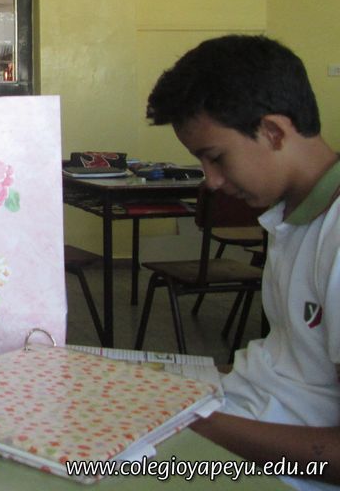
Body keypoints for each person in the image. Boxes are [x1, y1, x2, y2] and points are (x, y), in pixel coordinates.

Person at [147, 34, 340, 488]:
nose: (211, 181)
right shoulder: (290, 216)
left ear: (273, 131)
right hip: (236, 412)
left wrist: (186, 419)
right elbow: (291, 366)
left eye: (216, 158)